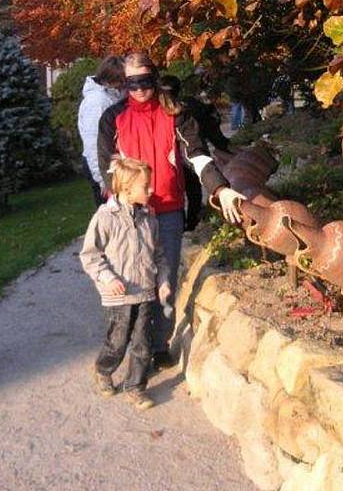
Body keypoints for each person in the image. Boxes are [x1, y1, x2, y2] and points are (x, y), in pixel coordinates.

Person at [98, 51, 244, 369]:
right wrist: (114, 211)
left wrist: (221, 188)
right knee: (132, 283)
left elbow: (198, 156)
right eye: (131, 82)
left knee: (165, 277)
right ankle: (126, 347)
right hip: (129, 217)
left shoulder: (177, 114)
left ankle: (159, 343)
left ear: (155, 76)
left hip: (167, 209)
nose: (139, 89)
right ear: (123, 82)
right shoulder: (112, 118)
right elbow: (107, 169)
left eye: (145, 81)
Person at [80, 157, 171, 410]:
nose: (151, 190)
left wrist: (162, 281)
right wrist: (108, 278)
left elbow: (159, 255)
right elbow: (89, 255)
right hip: (118, 297)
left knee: (143, 343)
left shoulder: (149, 219)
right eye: (146, 186)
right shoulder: (105, 218)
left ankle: (135, 386)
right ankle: (103, 369)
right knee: (117, 341)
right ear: (127, 188)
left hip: (144, 293)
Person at [158, 74, 231, 231]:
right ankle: (192, 221)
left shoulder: (181, 112)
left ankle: (189, 222)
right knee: (192, 191)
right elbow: (208, 122)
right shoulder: (187, 108)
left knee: (181, 192)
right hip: (185, 158)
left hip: (179, 161)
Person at [77, 56, 125, 206]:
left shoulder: (111, 97)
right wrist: (103, 180)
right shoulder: (98, 102)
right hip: (102, 164)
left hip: (112, 162)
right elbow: (93, 143)